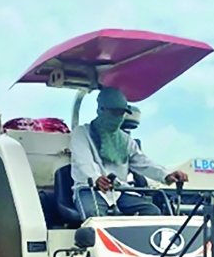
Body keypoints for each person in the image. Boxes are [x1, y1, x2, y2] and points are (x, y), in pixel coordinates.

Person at [70, 87, 187, 218]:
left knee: (152, 212)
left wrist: (166, 175)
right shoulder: (81, 133)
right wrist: (96, 178)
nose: (119, 117)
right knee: (94, 215)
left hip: (119, 191)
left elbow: (142, 162)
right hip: (89, 190)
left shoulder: (126, 140)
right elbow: (83, 162)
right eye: (115, 112)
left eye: (122, 113)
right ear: (101, 110)